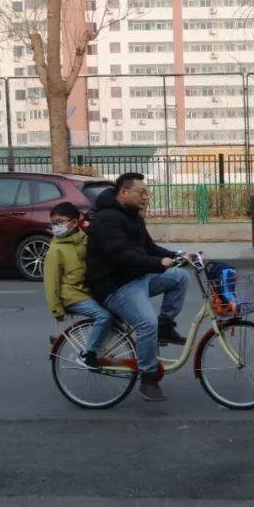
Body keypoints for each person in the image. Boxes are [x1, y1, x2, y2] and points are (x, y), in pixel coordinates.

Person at [85, 172, 195, 402]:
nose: (146, 197)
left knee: (179, 278)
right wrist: (157, 264)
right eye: (141, 192)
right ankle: (148, 378)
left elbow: (149, 248)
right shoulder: (107, 219)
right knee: (146, 323)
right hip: (116, 285)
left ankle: (165, 326)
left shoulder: (133, 216)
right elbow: (121, 256)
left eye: (147, 192)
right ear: (124, 192)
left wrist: (177, 255)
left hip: (137, 277)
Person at [43, 201, 111, 369]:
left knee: (116, 311)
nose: (56, 226)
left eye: (60, 221)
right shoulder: (56, 250)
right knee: (104, 316)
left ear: (74, 222)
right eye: (54, 222)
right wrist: (56, 310)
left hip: (86, 291)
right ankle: (88, 353)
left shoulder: (84, 240)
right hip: (72, 296)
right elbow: (51, 284)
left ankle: (98, 346)